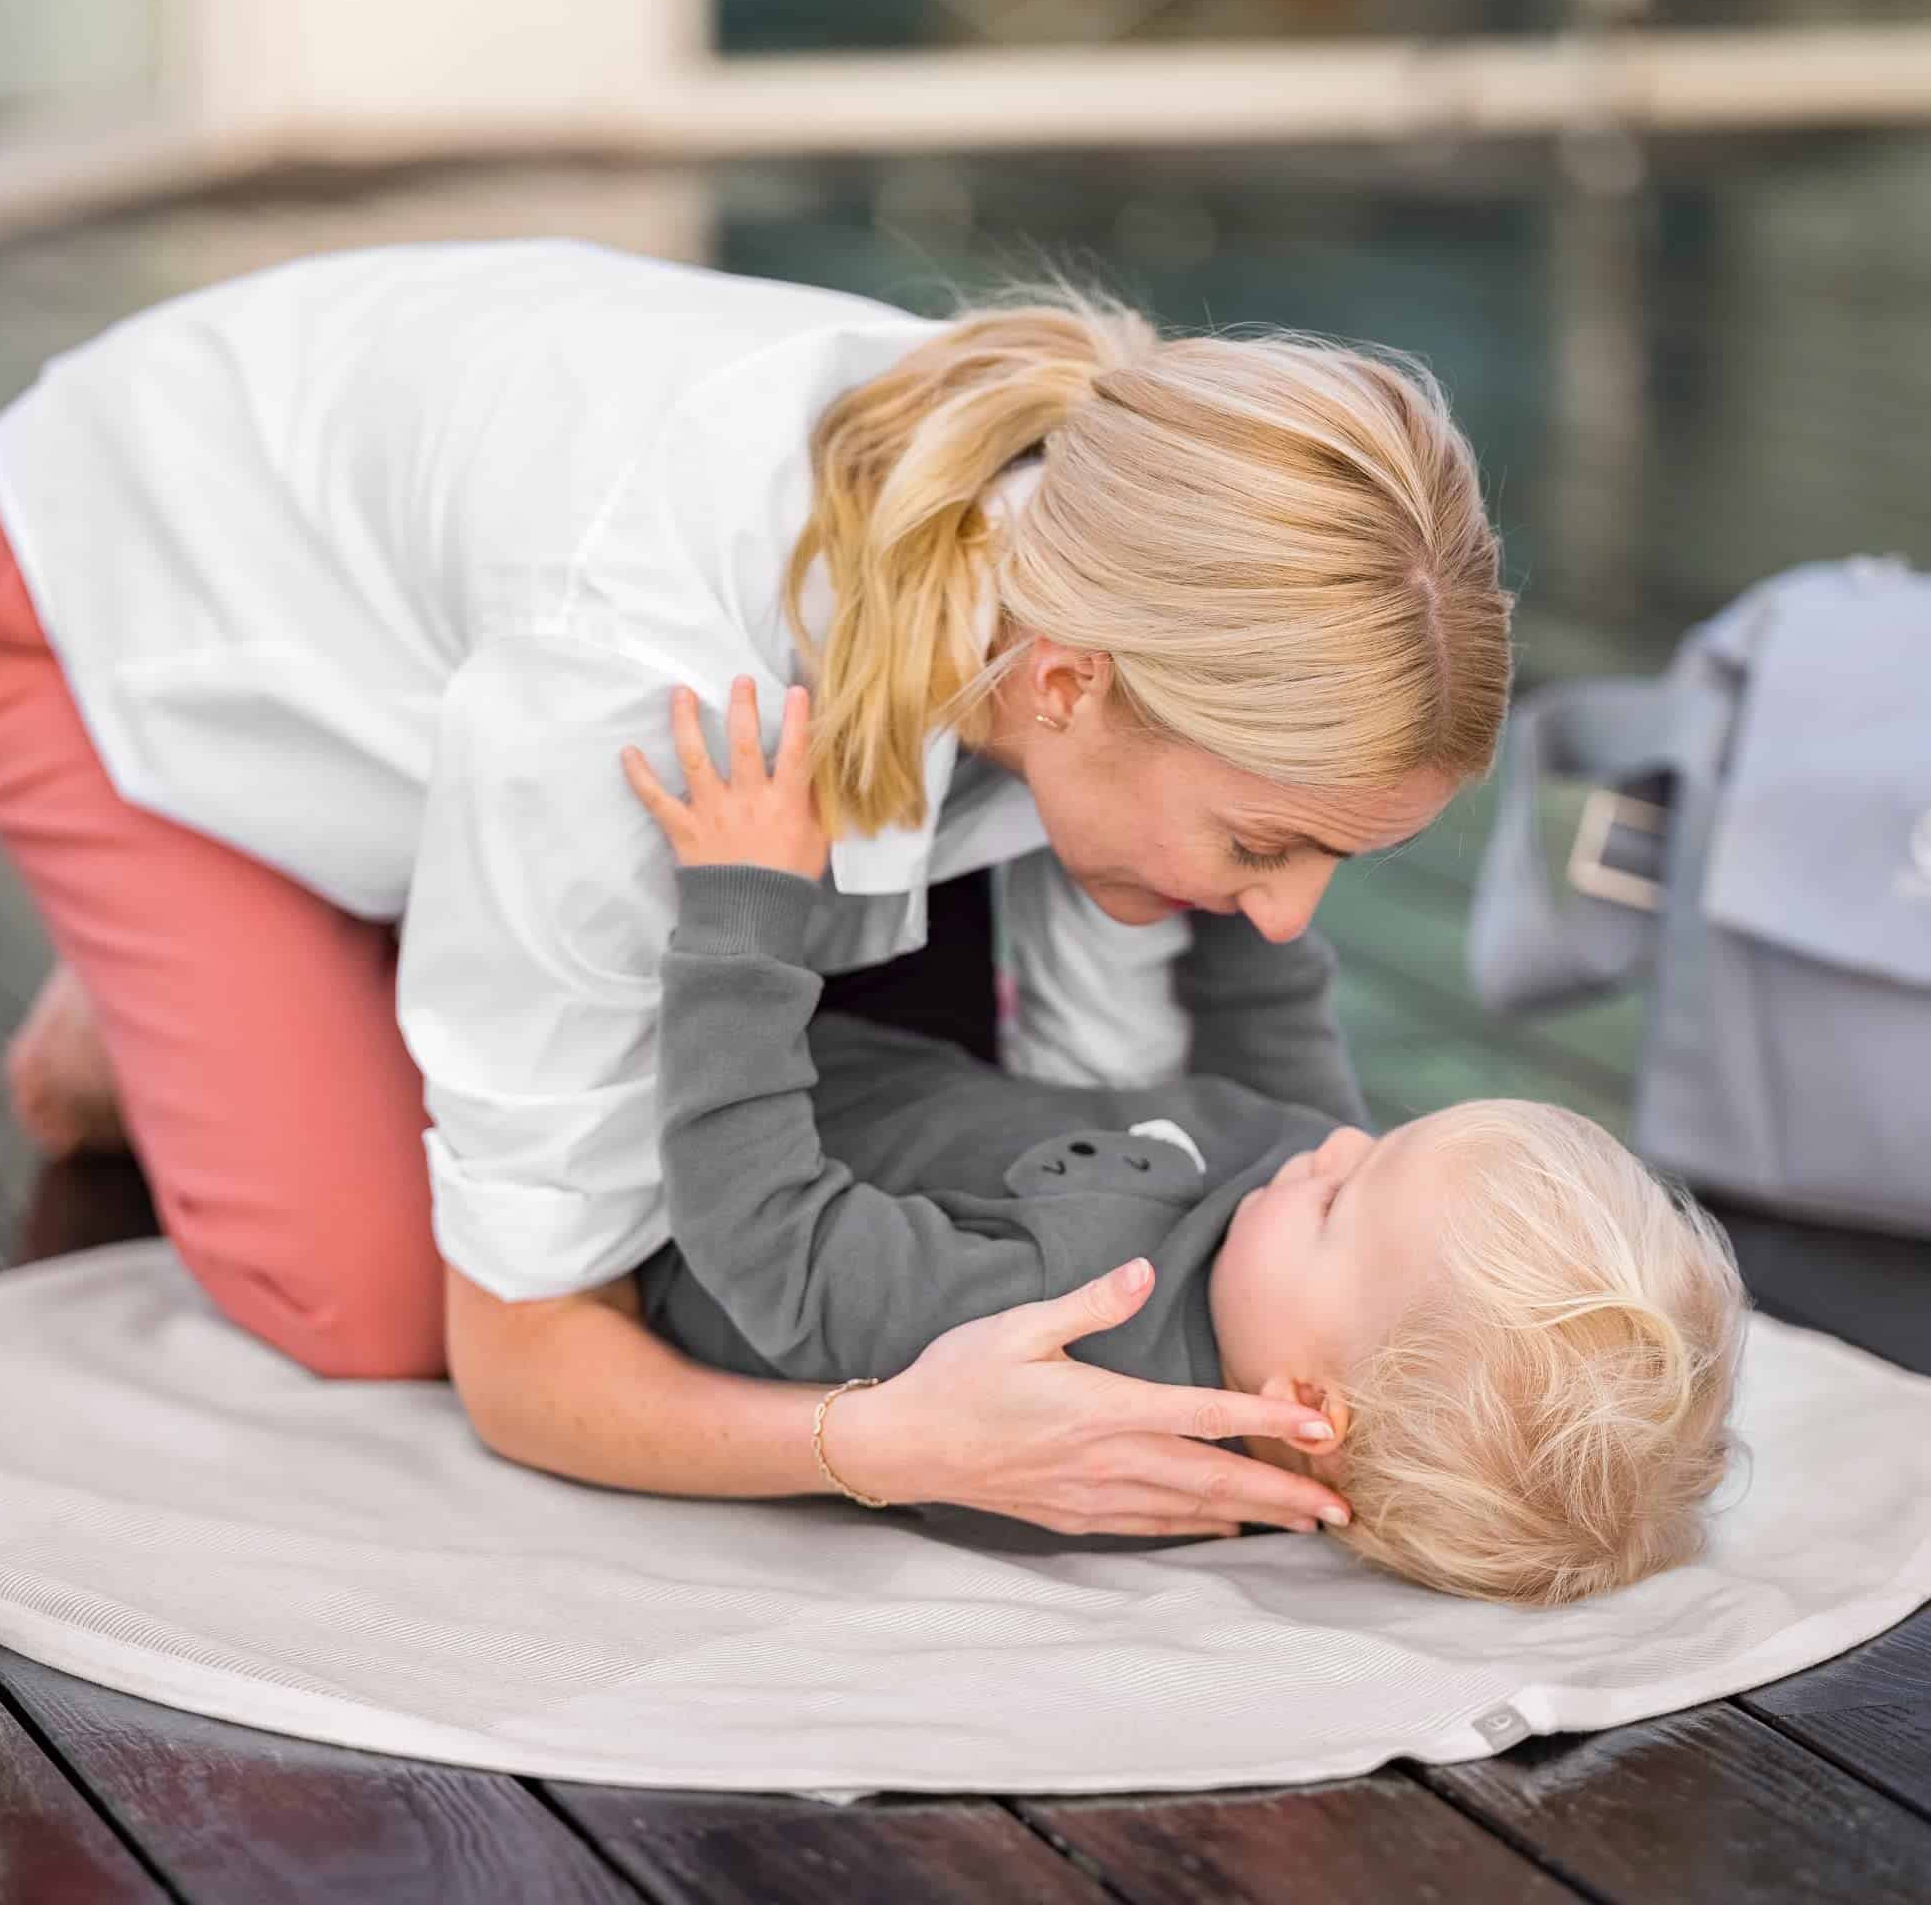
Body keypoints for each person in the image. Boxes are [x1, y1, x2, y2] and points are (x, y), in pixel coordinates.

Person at [0, 238, 1510, 1540]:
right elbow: (522, 1373)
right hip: (107, 613)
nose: (1292, 923)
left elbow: (1112, 1064)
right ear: (1069, 686)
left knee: (828, 1060)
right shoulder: (647, 682)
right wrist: (898, 1443)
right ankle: (192, 933)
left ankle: (381, 942)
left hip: (493, 688)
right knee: (382, 1306)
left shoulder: (1077, 582)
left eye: (1334, 860)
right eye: (1258, 846)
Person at [620, 674, 1752, 1604]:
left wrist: (744, 920)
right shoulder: (1308, 1253)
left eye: (1336, 1204)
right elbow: (1271, 1023)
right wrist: (1253, 838)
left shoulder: (1069, 1333)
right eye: (1384, 1140)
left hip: (690, 1138)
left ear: (1306, 1406)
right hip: (873, 1067)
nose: (1330, 1146)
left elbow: (769, 1233)